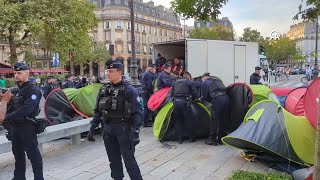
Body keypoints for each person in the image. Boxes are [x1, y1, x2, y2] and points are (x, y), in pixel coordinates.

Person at [90, 62, 143, 180]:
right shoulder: (104, 89)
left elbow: (138, 113)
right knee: (113, 161)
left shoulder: (129, 90)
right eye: (107, 71)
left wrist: (135, 132)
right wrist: (92, 128)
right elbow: (97, 111)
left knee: (129, 161)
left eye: (111, 71)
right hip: (108, 130)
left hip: (123, 129)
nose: (108, 74)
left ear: (119, 72)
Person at [3, 63, 43, 180]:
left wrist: (7, 117)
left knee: (33, 156)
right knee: (18, 155)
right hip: (15, 128)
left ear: (27, 73)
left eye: (19, 73)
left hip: (27, 126)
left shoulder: (33, 90)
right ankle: (19, 177)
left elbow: (27, 109)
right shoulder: (16, 90)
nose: (16, 75)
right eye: (15, 73)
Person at [200, 73, 230, 146]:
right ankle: (221, 139)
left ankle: (212, 139)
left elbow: (204, 96)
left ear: (204, 78)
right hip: (226, 98)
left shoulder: (205, 82)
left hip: (218, 99)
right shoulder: (218, 80)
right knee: (223, 119)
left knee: (214, 119)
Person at [171, 74, 198, 144]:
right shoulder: (189, 82)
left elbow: (171, 94)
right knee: (189, 120)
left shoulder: (175, 82)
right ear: (188, 77)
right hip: (185, 103)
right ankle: (191, 138)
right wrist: (194, 99)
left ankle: (179, 139)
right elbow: (195, 93)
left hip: (176, 102)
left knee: (178, 120)